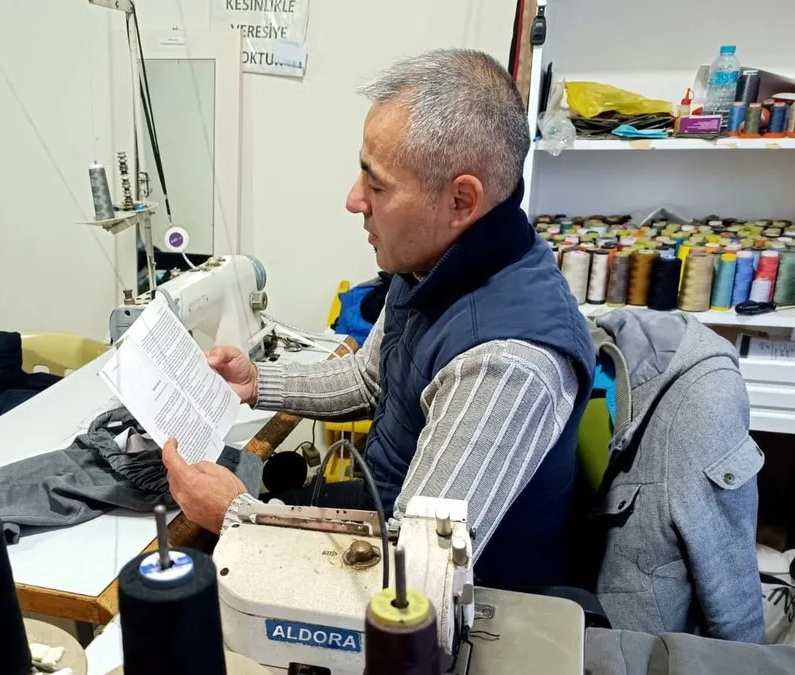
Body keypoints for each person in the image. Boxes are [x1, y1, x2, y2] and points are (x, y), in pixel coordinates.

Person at [162, 48, 595, 588]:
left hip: (447, 601)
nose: (353, 199)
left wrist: (236, 516)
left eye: (377, 184)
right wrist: (257, 382)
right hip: (379, 514)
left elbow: (413, 577)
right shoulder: (435, 264)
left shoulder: (504, 362)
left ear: (461, 200)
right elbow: (372, 377)